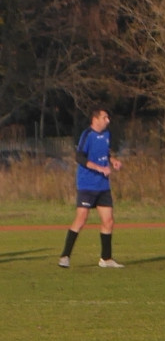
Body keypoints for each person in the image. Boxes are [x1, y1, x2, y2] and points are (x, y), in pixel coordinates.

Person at [58, 108, 124, 268]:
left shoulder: (107, 135)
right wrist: (100, 169)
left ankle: (106, 259)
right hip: (87, 184)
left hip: (103, 185)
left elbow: (105, 154)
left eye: (108, 117)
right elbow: (79, 157)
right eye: (104, 117)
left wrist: (113, 160)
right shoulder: (87, 135)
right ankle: (65, 256)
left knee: (108, 221)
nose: (108, 120)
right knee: (81, 219)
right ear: (95, 120)